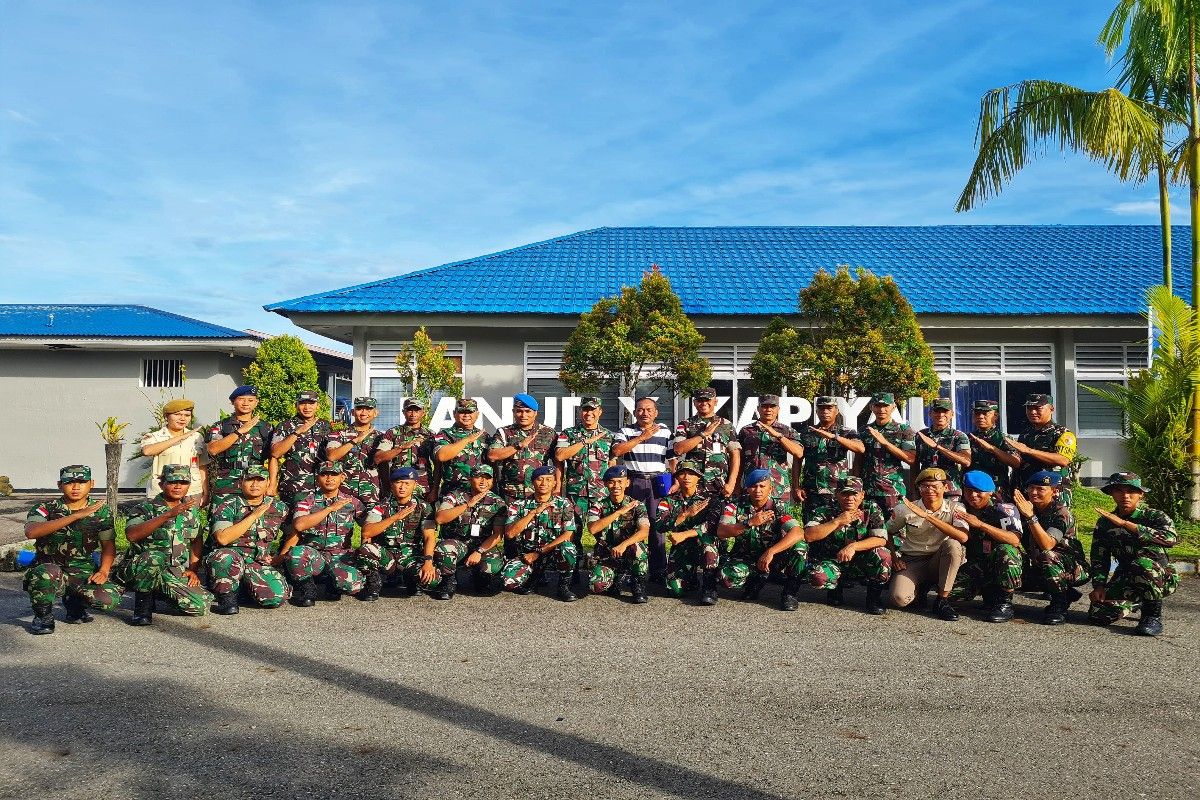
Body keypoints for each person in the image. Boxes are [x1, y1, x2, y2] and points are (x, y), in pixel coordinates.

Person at [23, 465, 122, 635]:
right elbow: (31, 531)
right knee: (46, 573)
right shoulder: (45, 508)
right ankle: (43, 616)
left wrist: (104, 571)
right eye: (69, 482)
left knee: (107, 600)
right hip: (49, 568)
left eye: (81, 482)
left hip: (82, 571)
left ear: (91, 483)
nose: (76, 487)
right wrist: (75, 516)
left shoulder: (101, 512)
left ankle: (75, 605)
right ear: (60, 485)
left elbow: (108, 546)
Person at [114, 465, 212, 625]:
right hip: (141, 567)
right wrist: (167, 515)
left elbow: (196, 540)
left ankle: (161, 592)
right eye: (172, 481)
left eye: (183, 482)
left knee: (200, 606)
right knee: (154, 557)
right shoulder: (144, 508)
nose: (178, 486)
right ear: (161, 484)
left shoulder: (190, 513)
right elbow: (132, 535)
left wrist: (192, 570)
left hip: (171, 572)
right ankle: (142, 609)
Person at [1087, 472, 1179, 636]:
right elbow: (1099, 556)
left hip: (1158, 575)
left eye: (1131, 491)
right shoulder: (1105, 522)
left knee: (1142, 564)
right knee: (1098, 614)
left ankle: (1152, 615)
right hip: (1127, 575)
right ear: (1111, 493)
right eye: (1119, 491)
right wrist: (1099, 586)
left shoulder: (1154, 516)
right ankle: (1135, 602)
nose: (1125, 496)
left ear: (1141, 494)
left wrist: (1126, 524)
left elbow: (1170, 539)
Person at [715, 468, 808, 611]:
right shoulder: (735, 505)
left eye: (762, 486)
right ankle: (756, 581)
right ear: (747, 488)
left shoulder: (778, 507)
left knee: (800, 546)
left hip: (774, 560)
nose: (757, 490)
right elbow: (721, 531)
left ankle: (789, 593)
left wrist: (771, 551)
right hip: (746, 558)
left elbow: (798, 532)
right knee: (726, 577)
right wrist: (749, 523)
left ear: (770, 489)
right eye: (753, 486)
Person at [206, 465, 292, 614]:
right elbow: (222, 538)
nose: (254, 484)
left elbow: (294, 532)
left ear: (268, 483)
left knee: (275, 598)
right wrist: (253, 516)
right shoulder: (226, 504)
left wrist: (280, 557)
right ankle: (227, 598)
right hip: (230, 561)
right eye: (250, 480)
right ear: (241, 482)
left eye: (260, 480)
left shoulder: (279, 507)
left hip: (257, 563)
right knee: (224, 557)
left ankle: (245, 587)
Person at [886, 468, 968, 621]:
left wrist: (928, 517)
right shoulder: (905, 509)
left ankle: (942, 601)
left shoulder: (956, 508)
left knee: (953, 545)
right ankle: (920, 589)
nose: (930, 490)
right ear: (919, 489)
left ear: (945, 487)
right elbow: (887, 532)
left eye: (935, 486)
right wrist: (894, 558)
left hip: (940, 560)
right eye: (925, 486)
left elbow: (962, 537)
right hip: (913, 560)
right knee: (899, 599)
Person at [283, 461, 367, 606]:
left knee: (353, 584)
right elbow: (299, 525)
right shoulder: (307, 501)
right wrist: (329, 509)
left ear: (342, 477)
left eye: (334, 474)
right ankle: (308, 588)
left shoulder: (353, 502)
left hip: (341, 557)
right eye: (324, 474)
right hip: (315, 557)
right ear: (317, 478)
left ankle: (333, 584)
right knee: (296, 553)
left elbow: (369, 529)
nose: (329, 478)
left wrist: (364, 552)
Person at [803, 478, 890, 615]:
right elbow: (809, 535)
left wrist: (854, 546)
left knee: (883, 554)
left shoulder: (870, 508)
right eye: (845, 494)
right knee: (817, 578)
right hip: (833, 560)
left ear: (862, 495)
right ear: (837, 494)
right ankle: (835, 589)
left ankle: (874, 598)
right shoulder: (825, 510)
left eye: (854, 494)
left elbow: (880, 539)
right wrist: (837, 521)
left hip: (862, 560)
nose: (850, 498)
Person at [1011, 470, 1087, 625]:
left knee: (1048, 555)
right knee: (1009, 562)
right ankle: (1065, 592)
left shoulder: (1061, 513)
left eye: (1040, 489)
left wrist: (1031, 517)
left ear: (1054, 491)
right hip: (1040, 565)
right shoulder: (1026, 508)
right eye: (1031, 488)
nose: (1033, 492)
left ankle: (1059, 604)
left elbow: (1047, 544)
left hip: (1071, 568)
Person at [947, 470, 1024, 623]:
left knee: (1006, 551)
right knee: (949, 593)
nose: (973, 495)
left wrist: (981, 524)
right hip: (979, 564)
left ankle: (1005, 603)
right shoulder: (961, 507)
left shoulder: (1003, 509)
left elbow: (1014, 540)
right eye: (969, 490)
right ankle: (989, 594)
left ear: (990, 493)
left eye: (979, 491)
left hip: (1007, 565)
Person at [612, 396, 674, 581]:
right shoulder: (625, 431)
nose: (644, 413)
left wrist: (675, 478)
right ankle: (631, 570)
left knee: (657, 527)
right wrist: (642, 437)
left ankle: (658, 571)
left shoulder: (664, 431)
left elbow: (672, 458)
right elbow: (617, 451)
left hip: (658, 482)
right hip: (635, 481)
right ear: (634, 412)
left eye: (648, 410)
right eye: (640, 409)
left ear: (656, 413)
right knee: (632, 525)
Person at [555, 396, 616, 581]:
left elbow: (612, 463)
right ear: (580, 411)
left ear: (600, 412)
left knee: (604, 533)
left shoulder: (608, 436)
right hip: (576, 494)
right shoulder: (568, 434)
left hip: (601, 494)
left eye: (593, 410)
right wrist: (584, 442)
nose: (589, 413)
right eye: (585, 410)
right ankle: (571, 573)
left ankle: (604, 572)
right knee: (573, 532)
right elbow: (560, 456)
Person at [359, 466, 443, 599]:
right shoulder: (381, 507)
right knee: (366, 549)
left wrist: (428, 562)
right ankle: (373, 584)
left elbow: (429, 537)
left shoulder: (424, 507)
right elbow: (366, 532)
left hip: (411, 556)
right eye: (398, 483)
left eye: (406, 483)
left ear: (414, 485)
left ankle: (411, 580)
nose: (402, 487)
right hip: (387, 555)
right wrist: (394, 517)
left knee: (433, 580)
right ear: (392, 484)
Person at [501, 465, 579, 601]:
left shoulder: (563, 504)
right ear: (532, 482)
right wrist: (533, 512)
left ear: (555, 483)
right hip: (527, 554)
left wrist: (538, 553)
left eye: (549, 480)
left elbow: (568, 535)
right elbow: (510, 534)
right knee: (508, 581)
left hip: (552, 552)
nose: (544, 483)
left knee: (568, 548)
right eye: (540, 479)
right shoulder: (518, 505)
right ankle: (534, 576)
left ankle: (563, 587)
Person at [433, 464, 508, 597]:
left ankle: (479, 576)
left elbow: (498, 534)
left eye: (487, 478)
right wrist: (467, 505)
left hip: (481, 546)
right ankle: (448, 580)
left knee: (492, 568)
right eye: (479, 477)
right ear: (470, 478)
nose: (483, 482)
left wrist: (479, 551)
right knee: (445, 548)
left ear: (492, 481)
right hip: (457, 543)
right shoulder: (455, 495)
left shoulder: (498, 503)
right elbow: (440, 518)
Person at [658, 460, 721, 604]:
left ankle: (709, 586)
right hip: (681, 547)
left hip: (703, 544)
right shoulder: (669, 500)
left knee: (708, 546)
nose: (686, 477)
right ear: (677, 478)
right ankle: (691, 579)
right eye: (682, 474)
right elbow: (659, 526)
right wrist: (684, 515)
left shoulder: (710, 499)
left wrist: (684, 534)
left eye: (691, 474)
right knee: (675, 591)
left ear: (698, 477)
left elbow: (711, 525)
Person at [586, 466, 651, 603]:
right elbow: (592, 529)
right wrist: (618, 512)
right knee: (596, 585)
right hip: (607, 554)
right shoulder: (597, 505)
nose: (616, 486)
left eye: (620, 482)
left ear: (627, 483)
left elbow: (644, 531)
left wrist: (624, 545)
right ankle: (616, 579)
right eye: (611, 482)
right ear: (605, 484)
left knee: (639, 548)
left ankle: (638, 585)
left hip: (629, 553)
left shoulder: (637, 505)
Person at [796, 396, 864, 522]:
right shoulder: (807, 432)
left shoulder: (846, 432)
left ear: (836, 411)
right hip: (812, 491)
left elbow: (860, 448)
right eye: (821, 408)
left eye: (829, 408)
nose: (825, 411)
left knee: (839, 526)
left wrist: (834, 437)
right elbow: (797, 459)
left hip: (838, 490)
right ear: (816, 411)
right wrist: (796, 486)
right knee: (812, 527)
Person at [206, 385, 274, 501]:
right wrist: (239, 431)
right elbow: (212, 449)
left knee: (252, 517)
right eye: (241, 399)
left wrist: (272, 484)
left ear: (256, 403)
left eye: (250, 400)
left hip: (255, 483)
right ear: (233, 402)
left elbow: (273, 457)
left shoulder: (266, 427)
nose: (246, 403)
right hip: (226, 481)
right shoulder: (221, 426)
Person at [672, 387, 740, 500]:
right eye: (700, 400)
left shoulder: (726, 425)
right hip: (693, 486)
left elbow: (735, 455)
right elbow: (678, 449)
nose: (704, 403)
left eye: (707, 400)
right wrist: (703, 435)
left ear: (715, 401)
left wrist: (732, 483)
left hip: (720, 485)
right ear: (694, 403)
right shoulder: (685, 424)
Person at [1011, 393, 1078, 507]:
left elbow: (1063, 460)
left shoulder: (1062, 433)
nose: (1032, 412)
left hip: (1052, 492)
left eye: (1038, 408)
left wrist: (1029, 450)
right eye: (1029, 408)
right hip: (1028, 490)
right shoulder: (1026, 434)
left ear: (1051, 409)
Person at [488, 393, 558, 500]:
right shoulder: (504, 432)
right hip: (510, 493)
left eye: (527, 411)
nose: (523, 415)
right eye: (519, 411)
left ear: (535, 413)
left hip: (539, 494)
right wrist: (518, 446)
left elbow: (558, 462)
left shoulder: (548, 433)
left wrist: (557, 487)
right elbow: (492, 455)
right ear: (513, 412)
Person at [858, 392, 917, 516]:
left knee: (895, 531)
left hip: (893, 490)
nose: (882, 409)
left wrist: (886, 443)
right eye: (878, 406)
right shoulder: (864, 430)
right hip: (869, 490)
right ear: (871, 408)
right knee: (871, 530)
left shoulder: (904, 430)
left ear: (894, 407)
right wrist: (857, 487)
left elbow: (911, 459)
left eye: (886, 406)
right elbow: (858, 460)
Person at [737, 394, 804, 503]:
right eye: (764, 406)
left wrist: (778, 436)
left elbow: (799, 453)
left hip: (778, 488)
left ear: (778, 409)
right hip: (753, 488)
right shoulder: (746, 431)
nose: (768, 410)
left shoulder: (786, 431)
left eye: (772, 407)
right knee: (751, 518)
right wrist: (736, 485)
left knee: (781, 519)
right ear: (758, 409)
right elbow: (739, 459)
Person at [138, 398, 208, 501]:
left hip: (192, 491)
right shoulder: (155, 436)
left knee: (190, 517)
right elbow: (147, 451)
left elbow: (202, 466)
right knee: (163, 517)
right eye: (177, 414)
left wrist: (205, 492)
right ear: (166, 416)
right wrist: (180, 437)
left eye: (187, 415)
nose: (182, 418)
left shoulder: (196, 437)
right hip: (162, 491)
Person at [270, 390, 333, 504]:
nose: (307, 407)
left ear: (317, 406)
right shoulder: (286, 426)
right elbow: (275, 453)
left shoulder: (325, 425)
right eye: (303, 403)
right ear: (296, 405)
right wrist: (297, 432)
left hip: (321, 485)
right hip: (294, 484)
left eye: (311, 403)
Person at [323, 396, 386, 508]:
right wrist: (355, 440)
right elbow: (331, 456)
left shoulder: (382, 438)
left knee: (371, 524)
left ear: (375, 413)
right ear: (352, 412)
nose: (363, 413)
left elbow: (385, 466)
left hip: (371, 493)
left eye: (368, 409)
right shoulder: (339, 435)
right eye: (359, 408)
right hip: (344, 492)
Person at [374, 398, 435, 498]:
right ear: (403, 412)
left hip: (424, 487)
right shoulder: (393, 433)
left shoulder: (430, 435)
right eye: (409, 410)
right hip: (399, 486)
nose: (413, 414)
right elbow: (378, 457)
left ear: (423, 413)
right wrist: (401, 448)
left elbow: (438, 464)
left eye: (417, 410)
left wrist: (435, 489)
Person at [914, 397, 971, 496]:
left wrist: (938, 447)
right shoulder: (921, 435)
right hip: (927, 490)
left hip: (950, 489)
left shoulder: (958, 436)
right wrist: (914, 489)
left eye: (945, 411)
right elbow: (914, 464)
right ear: (930, 414)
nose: (940, 415)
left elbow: (966, 461)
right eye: (937, 411)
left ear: (952, 414)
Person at [431, 398, 488, 495]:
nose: (466, 415)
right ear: (454, 413)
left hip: (479, 492)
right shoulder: (445, 434)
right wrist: (466, 440)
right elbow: (441, 456)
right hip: (453, 491)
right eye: (462, 412)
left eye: (470, 412)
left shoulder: (484, 436)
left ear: (477, 414)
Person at [965, 400, 1019, 499]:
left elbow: (1016, 462)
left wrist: (992, 449)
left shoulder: (1003, 438)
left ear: (996, 416)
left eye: (985, 413)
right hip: (972, 491)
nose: (980, 417)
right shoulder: (967, 438)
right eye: (977, 413)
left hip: (996, 491)